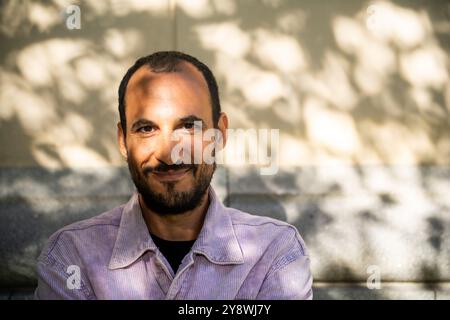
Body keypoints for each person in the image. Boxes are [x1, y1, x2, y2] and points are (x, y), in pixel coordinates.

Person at [35, 51, 313, 299]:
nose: (169, 154)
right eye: (146, 129)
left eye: (188, 126)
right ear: (122, 141)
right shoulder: (71, 257)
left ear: (220, 134)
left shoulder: (276, 253)